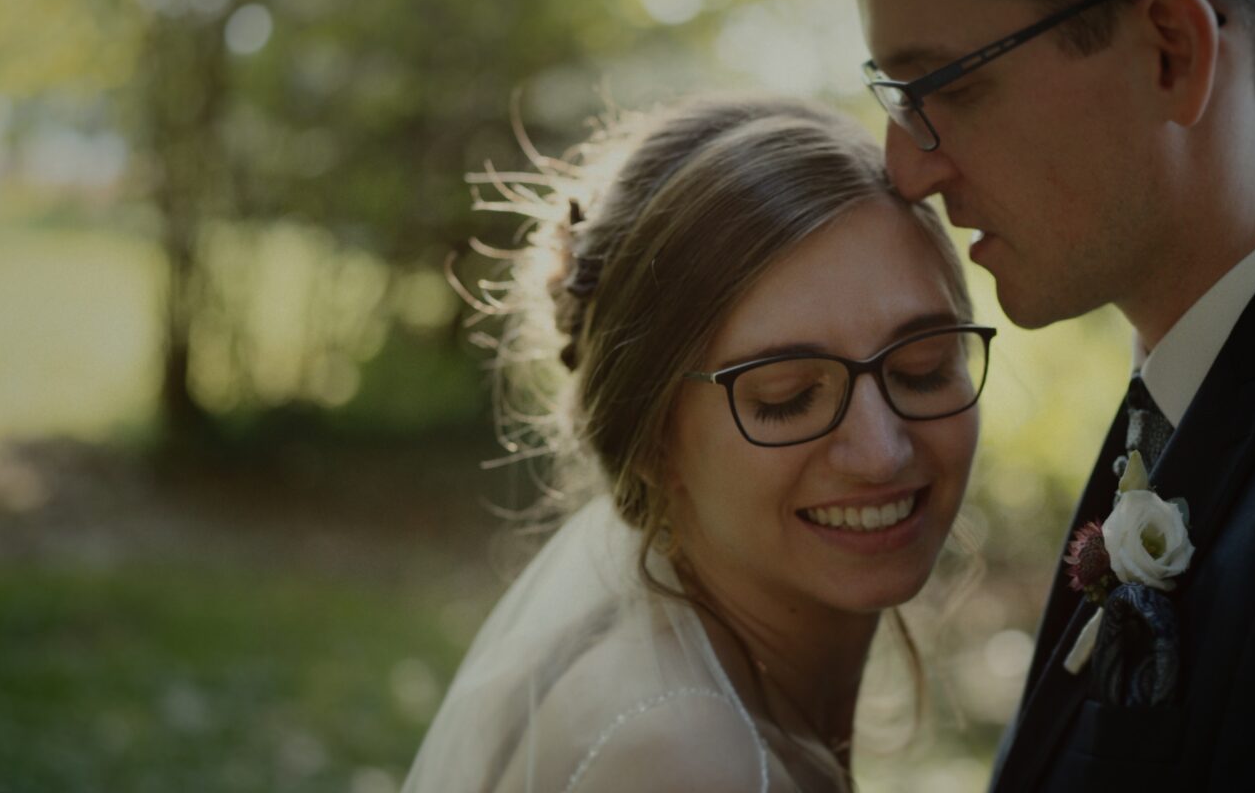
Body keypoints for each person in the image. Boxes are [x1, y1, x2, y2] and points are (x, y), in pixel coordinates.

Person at [847, 0, 1255, 790]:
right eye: (892, 93)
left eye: (945, 86)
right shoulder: (1196, 402)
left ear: (1170, 53)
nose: (905, 170)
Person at [401, 95, 996, 792]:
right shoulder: (690, 762)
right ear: (651, 438)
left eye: (922, 368)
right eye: (785, 397)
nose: (881, 453)